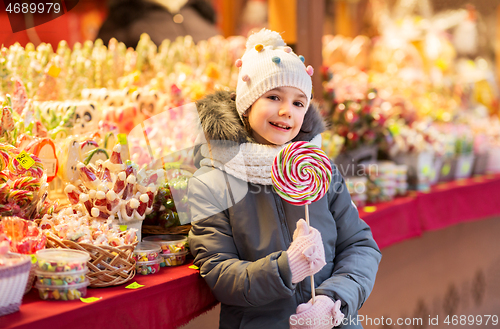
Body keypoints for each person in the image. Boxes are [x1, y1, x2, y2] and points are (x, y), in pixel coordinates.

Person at [188, 29, 381, 329]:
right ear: (247, 102)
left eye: (298, 103)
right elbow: (219, 272)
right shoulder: (212, 182)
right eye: (273, 96)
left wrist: (333, 300)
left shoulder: (319, 170)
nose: (285, 111)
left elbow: (360, 246)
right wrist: (285, 268)